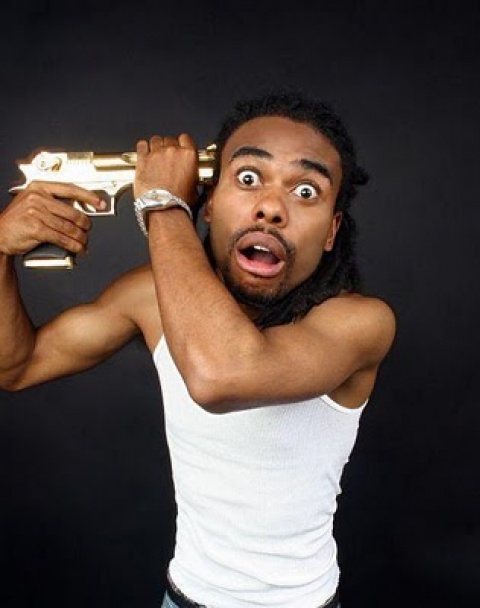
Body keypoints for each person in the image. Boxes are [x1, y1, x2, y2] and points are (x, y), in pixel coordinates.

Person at [0, 90, 396, 608]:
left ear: (331, 231)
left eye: (305, 191)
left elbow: (220, 376)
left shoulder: (360, 324)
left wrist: (162, 204)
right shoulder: (152, 297)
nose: (271, 208)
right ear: (210, 200)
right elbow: (16, 366)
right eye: (248, 178)